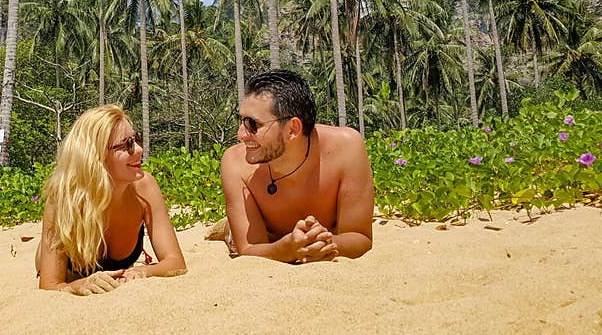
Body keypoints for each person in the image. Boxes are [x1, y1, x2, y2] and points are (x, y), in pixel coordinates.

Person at [218, 69, 375, 263]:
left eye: (252, 124)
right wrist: (287, 249)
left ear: (292, 129)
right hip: (273, 238)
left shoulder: (346, 147)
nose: (240, 134)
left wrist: (319, 244)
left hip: (314, 237)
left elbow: (360, 237)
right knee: (232, 235)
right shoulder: (235, 163)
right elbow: (249, 248)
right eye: (241, 121)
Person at [35, 104, 187, 295]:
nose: (139, 150)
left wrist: (143, 271)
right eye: (127, 145)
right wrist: (77, 285)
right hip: (64, 269)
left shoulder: (144, 188)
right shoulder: (63, 197)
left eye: (136, 139)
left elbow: (175, 261)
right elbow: (50, 285)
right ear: (96, 157)